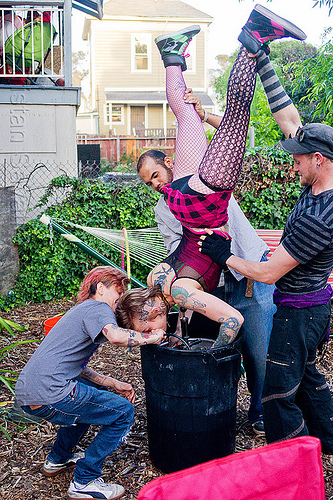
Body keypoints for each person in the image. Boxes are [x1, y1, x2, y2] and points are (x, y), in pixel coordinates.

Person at [137, 6, 305, 431]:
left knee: (219, 119)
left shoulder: (187, 188)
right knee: (218, 122)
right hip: (211, 243)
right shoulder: (171, 203)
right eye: (149, 182)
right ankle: (183, 54)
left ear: (168, 165)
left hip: (243, 270)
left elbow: (183, 263)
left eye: (156, 174)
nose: (155, 184)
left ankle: (208, 49)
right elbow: (180, 254)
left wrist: (177, 275)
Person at [199, 123, 333, 455]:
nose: (293, 166)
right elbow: (288, 118)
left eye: (298, 160)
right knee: (308, 379)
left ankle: (287, 464)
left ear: (319, 159)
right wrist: (260, 70)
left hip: (299, 315)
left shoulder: (318, 219)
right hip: (310, 308)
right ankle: (328, 440)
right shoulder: (319, 186)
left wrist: (225, 256)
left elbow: (269, 273)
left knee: (277, 393)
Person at [15, 266, 166, 500]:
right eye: (118, 290)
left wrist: (110, 381)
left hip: (31, 391)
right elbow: (116, 336)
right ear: (101, 288)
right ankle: (84, 482)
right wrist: (152, 337)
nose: (120, 296)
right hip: (52, 392)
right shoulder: (98, 307)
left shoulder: (83, 312)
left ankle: (58, 459)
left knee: (92, 398)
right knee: (123, 412)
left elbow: (76, 365)